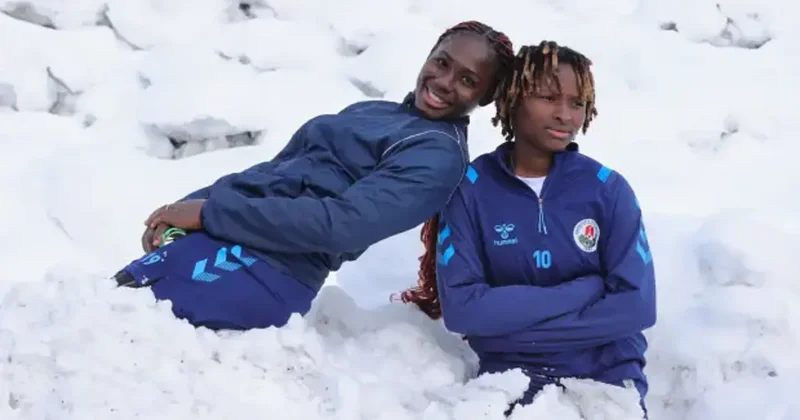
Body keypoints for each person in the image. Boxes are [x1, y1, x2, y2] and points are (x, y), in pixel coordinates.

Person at [111, 21, 515, 332]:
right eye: (442, 62)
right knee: (104, 311)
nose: (444, 82)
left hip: (267, 270)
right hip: (230, 241)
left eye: (467, 80)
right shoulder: (374, 113)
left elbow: (341, 226)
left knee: (124, 324)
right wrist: (185, 208)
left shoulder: (437, 156)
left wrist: (208, 214)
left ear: (486, 96)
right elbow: (275, 174)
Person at [399, 41, 657, 416]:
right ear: (514, 98)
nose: (566, 115)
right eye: (549, 98)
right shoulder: (470, 189)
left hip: (606, 378)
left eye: (577, 103)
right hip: (509, 382)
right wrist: (582, 292)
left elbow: (636, 308)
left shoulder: (607, 189)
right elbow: (464, 311)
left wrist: (507, 331)